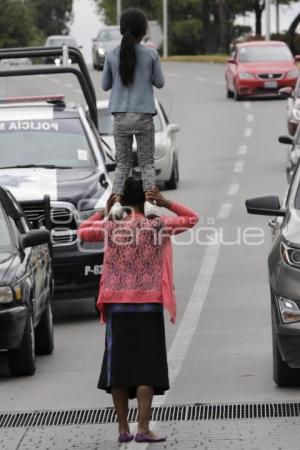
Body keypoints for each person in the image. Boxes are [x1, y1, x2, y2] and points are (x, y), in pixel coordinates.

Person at [77, 178, 198, 443]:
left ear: (122, 201)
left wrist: (105, 209)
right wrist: (166, 203)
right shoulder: (157, 224)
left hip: (118, 307)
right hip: (149, 306)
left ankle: (123, 428)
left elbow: (83, 231)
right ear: (147, 200)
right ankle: (143, 428)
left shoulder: (112, 225)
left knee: (118, 369)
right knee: (146, 369)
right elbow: (192, 218)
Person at [101, 8, 165, 219]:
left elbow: (105, 85)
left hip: (120, 117)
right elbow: (160, 82)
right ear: (143, 30)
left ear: (122, 29)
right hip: (144, 115)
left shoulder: (111, 54)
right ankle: (149, 203)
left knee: (123, 164)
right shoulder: (150, 53)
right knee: (146, 162)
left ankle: (116, 204)